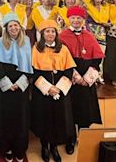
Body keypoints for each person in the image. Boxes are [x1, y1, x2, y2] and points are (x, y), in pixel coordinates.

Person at [59, 7, 104, 155]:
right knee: (70, 109)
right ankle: (70, 139)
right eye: (73, 18)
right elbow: (62, 59)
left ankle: (84, 137)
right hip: (71, 77)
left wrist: (88, 78)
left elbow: (97, 58)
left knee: (86, 108)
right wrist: (77, 77)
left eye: (79, 18)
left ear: (83, 20)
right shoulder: (63, 36)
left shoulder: (89, 35)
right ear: (68, 19)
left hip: (87, 77)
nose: (76, 21)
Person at [31, 19, 76, 162]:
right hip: (43, 91)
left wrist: (59, 88)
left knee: (58, 119)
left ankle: (54, 147)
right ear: (42, 34)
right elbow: (34, 72)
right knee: (44, 119)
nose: (50, 34)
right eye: (47, 31)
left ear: (56, 33)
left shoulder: (63, 49)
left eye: (52, 31)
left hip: (60, 91)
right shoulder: (36, 49)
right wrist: (48, 88)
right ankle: (44, 146)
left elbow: (69, 70)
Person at [0, 13, 33, 162]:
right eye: (10, 26)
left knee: (21, 120)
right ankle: (6, 148)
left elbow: (29, 65)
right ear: (6, 29)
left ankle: (20, 149)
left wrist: (21, 83)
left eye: (16, 25)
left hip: (21, 88)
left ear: (20, 27)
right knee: (5, 119)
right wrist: (6, 83)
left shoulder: (26, 41)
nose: (13, 28)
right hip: (4, 88)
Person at [85, 0, 110, 84]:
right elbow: (85, 20)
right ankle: (90, 77)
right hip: (90, 32)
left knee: (101, 55)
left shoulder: (106, 7)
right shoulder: (87, 7)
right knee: (90, 56)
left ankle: (99, 75)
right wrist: (88, 31)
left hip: (102, 32)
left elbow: (109, 20)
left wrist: (108, 24)